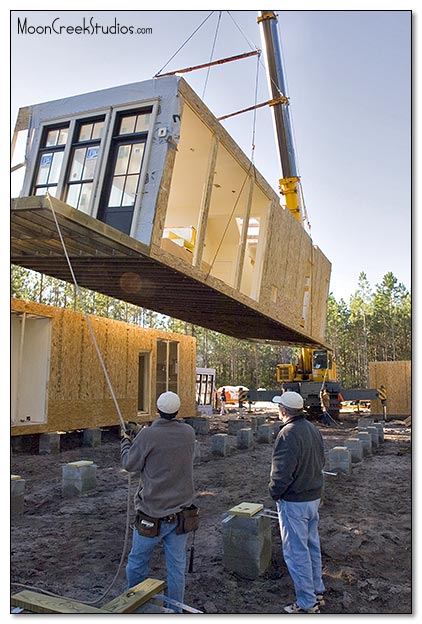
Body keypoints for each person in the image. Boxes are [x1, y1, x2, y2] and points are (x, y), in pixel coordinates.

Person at [121, 391, 196, 611]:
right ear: (177, 411)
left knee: (137, 564)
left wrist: (127, 441)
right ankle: (176, 610)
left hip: (151, 514)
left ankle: (134, 606)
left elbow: (129, 464)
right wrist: (141, 434)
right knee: (176, 567)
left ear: (157, 409)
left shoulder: (149, 436)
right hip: (181, 514)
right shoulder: (188, 432)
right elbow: (165, 445)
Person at [269, 391, 326, 614]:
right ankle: (316, 591)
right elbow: (321, 460)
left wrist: (274, 492)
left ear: (284, 410)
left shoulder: (288, 434)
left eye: (278, 407)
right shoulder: (312, 429)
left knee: (296, 552)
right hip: (313, 497)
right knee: (312, 545)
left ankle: (306, 603)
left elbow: (282, 472)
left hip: (294, 501)